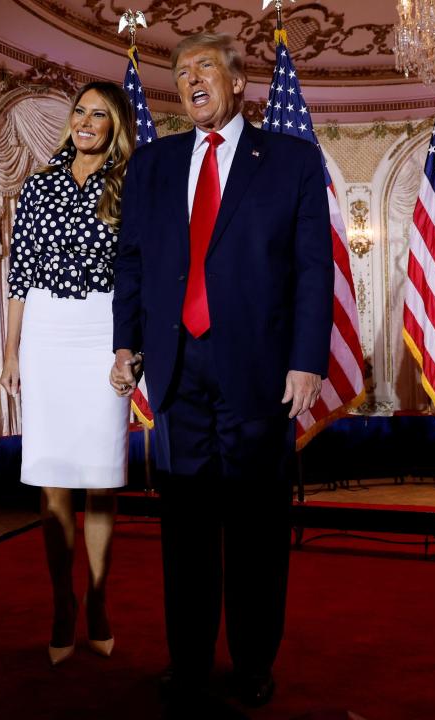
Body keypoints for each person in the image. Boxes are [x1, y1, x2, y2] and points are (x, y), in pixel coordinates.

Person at [110, 33, 333, 712]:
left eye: (204, 67)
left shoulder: (290, 159)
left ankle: (254, 663)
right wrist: (126, 346)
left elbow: (312, 267)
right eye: (179, 72)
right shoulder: (153, 165)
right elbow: (133, 264)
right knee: (186, 532)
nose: (190, 79)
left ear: (238, 82)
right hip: (177, 373)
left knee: (257, 531)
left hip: (262, 374)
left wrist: (306, 360)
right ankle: (188, 661)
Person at [0, 81, 135, 667]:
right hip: (47, 334)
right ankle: (61, 604)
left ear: (115, 126)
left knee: (102, 477)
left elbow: (140, 274)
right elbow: (19, 275)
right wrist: (10, 351)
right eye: (79, 110)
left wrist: (130, 348)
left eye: (98, 114)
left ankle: (98, 601)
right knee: (54, 480)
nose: (85, 121)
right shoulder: (38, 183)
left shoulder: (129, 184)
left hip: (104, 332)